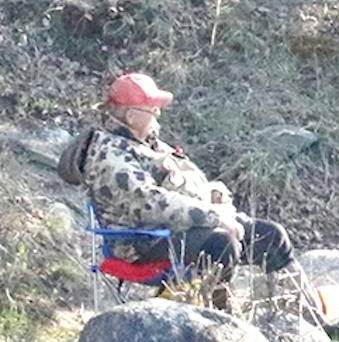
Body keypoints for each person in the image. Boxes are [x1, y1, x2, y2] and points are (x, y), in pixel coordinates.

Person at [77, 71, 295, 282]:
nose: (158, 113)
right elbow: (151, 204)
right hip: (142, 243)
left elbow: (185, 180)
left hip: (182, 226)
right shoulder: (110, 157)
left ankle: (307, 309)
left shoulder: (148, 143)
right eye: (152, 108)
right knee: (222, 244)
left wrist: (214, 195)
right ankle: (217, 314)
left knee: (271, 236)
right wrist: (214, 216)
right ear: (132, 116)